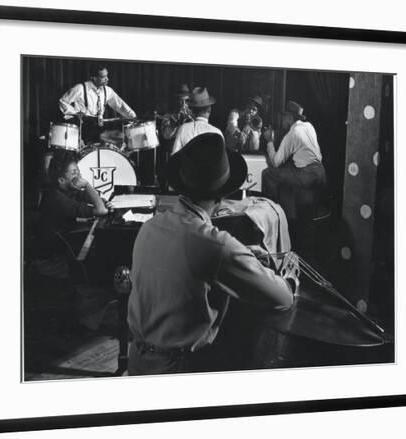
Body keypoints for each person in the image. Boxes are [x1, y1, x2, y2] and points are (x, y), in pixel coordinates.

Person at [127, 133, 297, 375]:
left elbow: (184, 264)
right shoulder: (215, 245)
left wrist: (243, 254)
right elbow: (282, 298)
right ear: (223, 196)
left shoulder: (149, 227)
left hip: (137, 363)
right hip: (175, 372)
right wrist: (289, 280)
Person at [261, 101, 326, 216]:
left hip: (307, 175)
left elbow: (276, 162)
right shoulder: (308, 126)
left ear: (290, 118)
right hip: (320, 173)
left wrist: (269, 141)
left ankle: (275, 213)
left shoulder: (293, 133)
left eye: (283, 117)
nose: (282, 121)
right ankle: (288, 212)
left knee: (267, 174)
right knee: (287, 174)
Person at [38, 150, 109, 252]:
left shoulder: (68, 190)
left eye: (78, 171)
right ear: (61, 180)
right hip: (54, 256)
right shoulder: (57, 199)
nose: (79, 176)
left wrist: (105, 202)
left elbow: (95, 201)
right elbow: (101, 210)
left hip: (65, 243)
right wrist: (86, 185)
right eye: (74, 172)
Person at [58, 64, 137, 143]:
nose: (107, 79)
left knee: (122, 138)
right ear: (94, 78)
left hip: (99, 127)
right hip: (83, 129)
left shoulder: (107, 90)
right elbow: (63, 101)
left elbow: (120, 105)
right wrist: (75, 113)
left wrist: (133, 117)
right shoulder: (80, 88)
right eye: (103, 77)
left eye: (107, 76)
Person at [171, 87, 223, 155]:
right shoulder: (218, 133)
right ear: (209, 109)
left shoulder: (183, 129)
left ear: (192, 110)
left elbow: (174, 157)